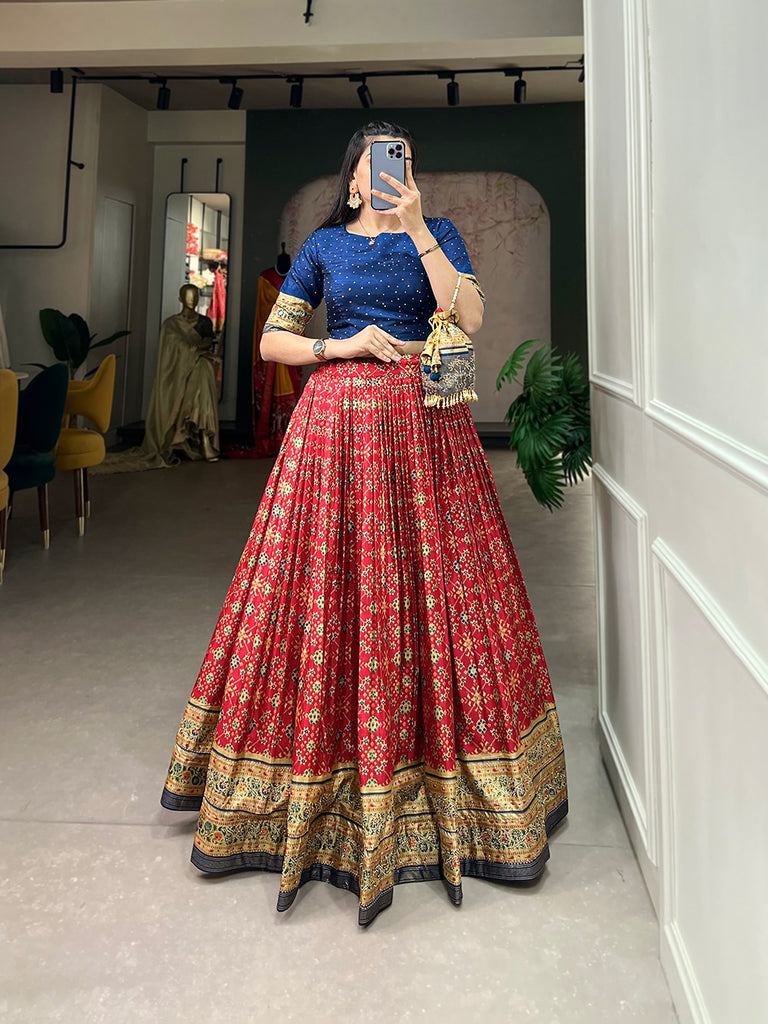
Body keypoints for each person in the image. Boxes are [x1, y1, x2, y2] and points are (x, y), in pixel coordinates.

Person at [161, 121, 568, 926]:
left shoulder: (436, 232)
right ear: (354, 178)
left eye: (404, 162)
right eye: (381, 164)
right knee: (326, 588)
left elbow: (469, 318)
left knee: (442, 591)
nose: (392, 173)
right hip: (336, 433)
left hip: (427, 431)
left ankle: (451, 781)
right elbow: (274, 341)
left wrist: (418, 228)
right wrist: (339, 347)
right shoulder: (323, 247)